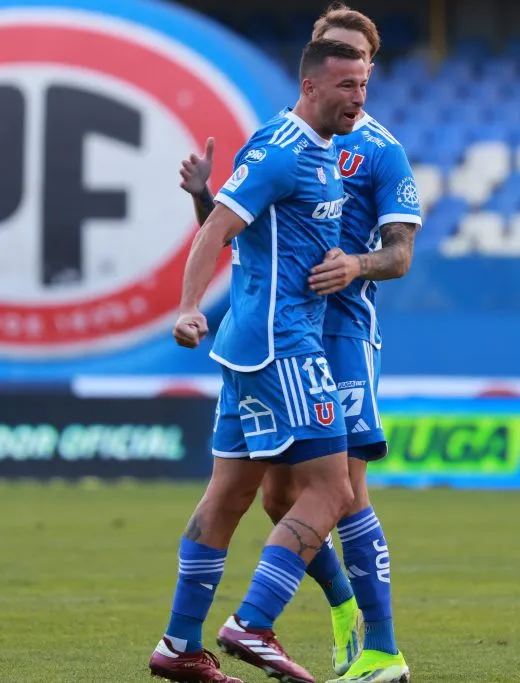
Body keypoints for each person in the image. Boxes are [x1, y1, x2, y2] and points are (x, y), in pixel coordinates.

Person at [176, 6, 418, 682]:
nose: (357, 88)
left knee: (345, 490)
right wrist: (206, 200)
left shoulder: (380, 149)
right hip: (288, 331)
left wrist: (356, 264)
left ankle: (382, 647)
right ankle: (342, 611)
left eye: (364, 70)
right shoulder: (288, 139)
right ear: (318, 69)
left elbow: (400, 254)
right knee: (282, 498)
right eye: (343, 66)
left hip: (341, 334)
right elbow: (246, 230)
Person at [148, 39, 368, 683]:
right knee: (332, 488)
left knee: (231, 494)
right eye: (346, 85)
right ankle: (254, 621)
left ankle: (180, 647)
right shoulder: (283, 150)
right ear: (310, 87)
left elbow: (256, 231)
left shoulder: (320, 150)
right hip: (283, 346)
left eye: (363, 85)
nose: (358, 97)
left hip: (254, 346)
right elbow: (218, 228)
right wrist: (189, 306)